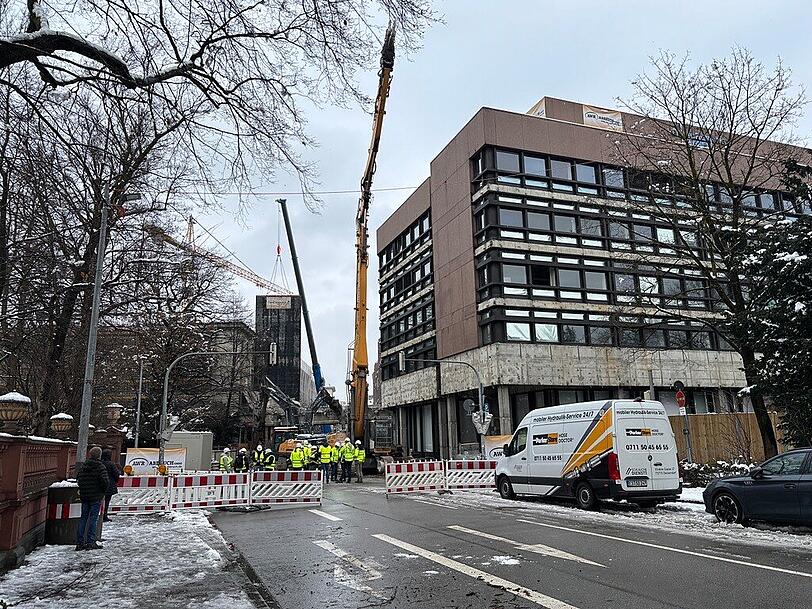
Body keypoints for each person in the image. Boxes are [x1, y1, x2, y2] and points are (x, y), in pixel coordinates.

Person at [76, 446, 108, 551]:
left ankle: (80, 542)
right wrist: (102, 490)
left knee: (83, 518)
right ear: (99, 455)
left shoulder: (84, 466)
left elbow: (79, 478)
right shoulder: (100, 467)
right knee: (93, 519)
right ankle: (91, 542)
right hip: (96, 496)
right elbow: (104, 481)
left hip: (85, 496)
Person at [101, 449, 120, 522]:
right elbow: (116, 474)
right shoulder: (111, 464)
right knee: (107, 502)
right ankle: (104, 516)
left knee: (99, 501)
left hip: (100, 486)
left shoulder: (100, 463)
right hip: (109, 486)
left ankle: (100, 515)